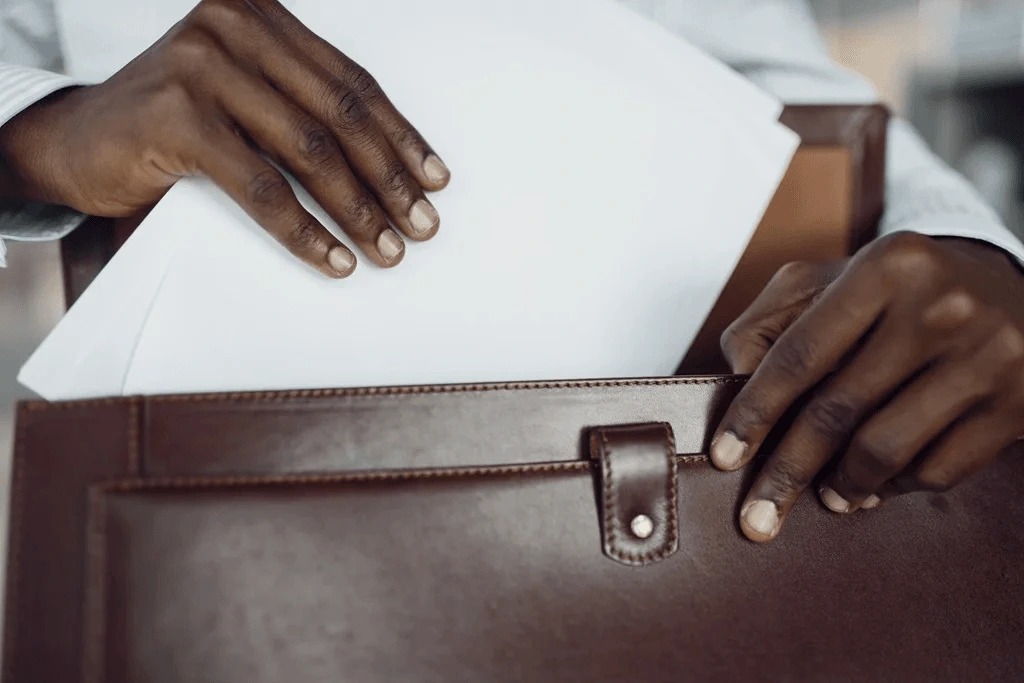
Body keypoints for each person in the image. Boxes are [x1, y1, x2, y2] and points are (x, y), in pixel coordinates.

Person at [1, 0, 1022, 543]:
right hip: (209, 522)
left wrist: (977, 249)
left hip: (639, 514)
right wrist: (40, 132)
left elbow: (809, 110)